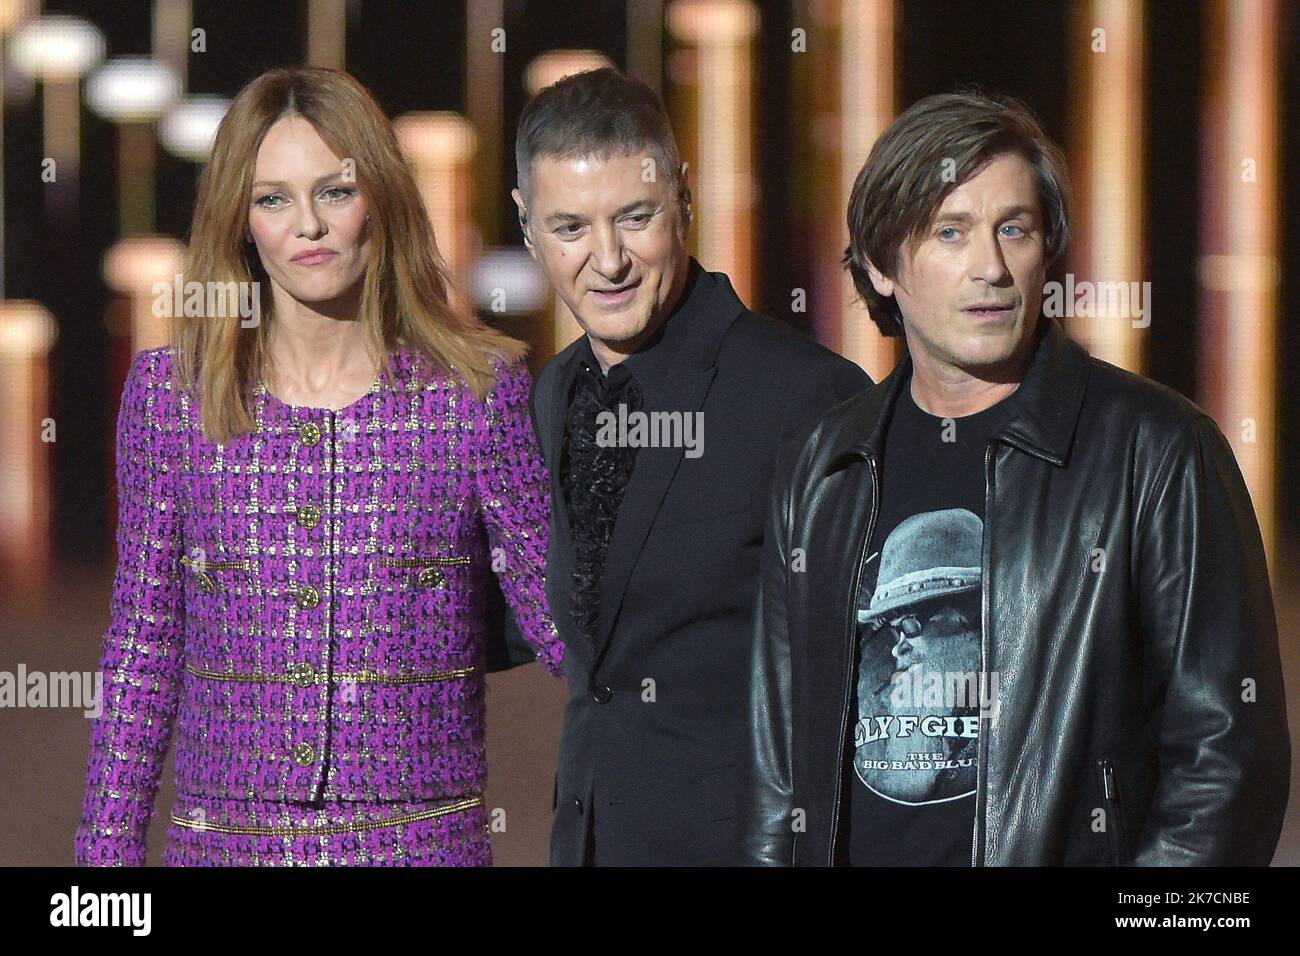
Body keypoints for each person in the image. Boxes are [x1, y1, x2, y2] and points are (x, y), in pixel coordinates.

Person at [743, 91, 1290, 866]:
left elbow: (1229, 759)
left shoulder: (1157, 450)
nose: (991, 269)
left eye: (1014, 230)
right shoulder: (822, 463)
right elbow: (779, 761)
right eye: (950, 233)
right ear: (880, 265)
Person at [73, 66, 563, 867]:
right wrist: (102, 882)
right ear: (239, 219)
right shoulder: (173, 398)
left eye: (335, 192)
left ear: (382, 199)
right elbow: (142, 650)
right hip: (226, 852)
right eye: (273, 199)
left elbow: (565, 627)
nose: (308, 225)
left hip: (422, 851)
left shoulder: (473, 393)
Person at [508, 67, 871, 865]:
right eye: (569, 228)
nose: (607, 261)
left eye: (633, 217)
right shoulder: (548, 398)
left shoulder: (807, 399)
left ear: (683, 196)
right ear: (529, 228)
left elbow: (869, 690)